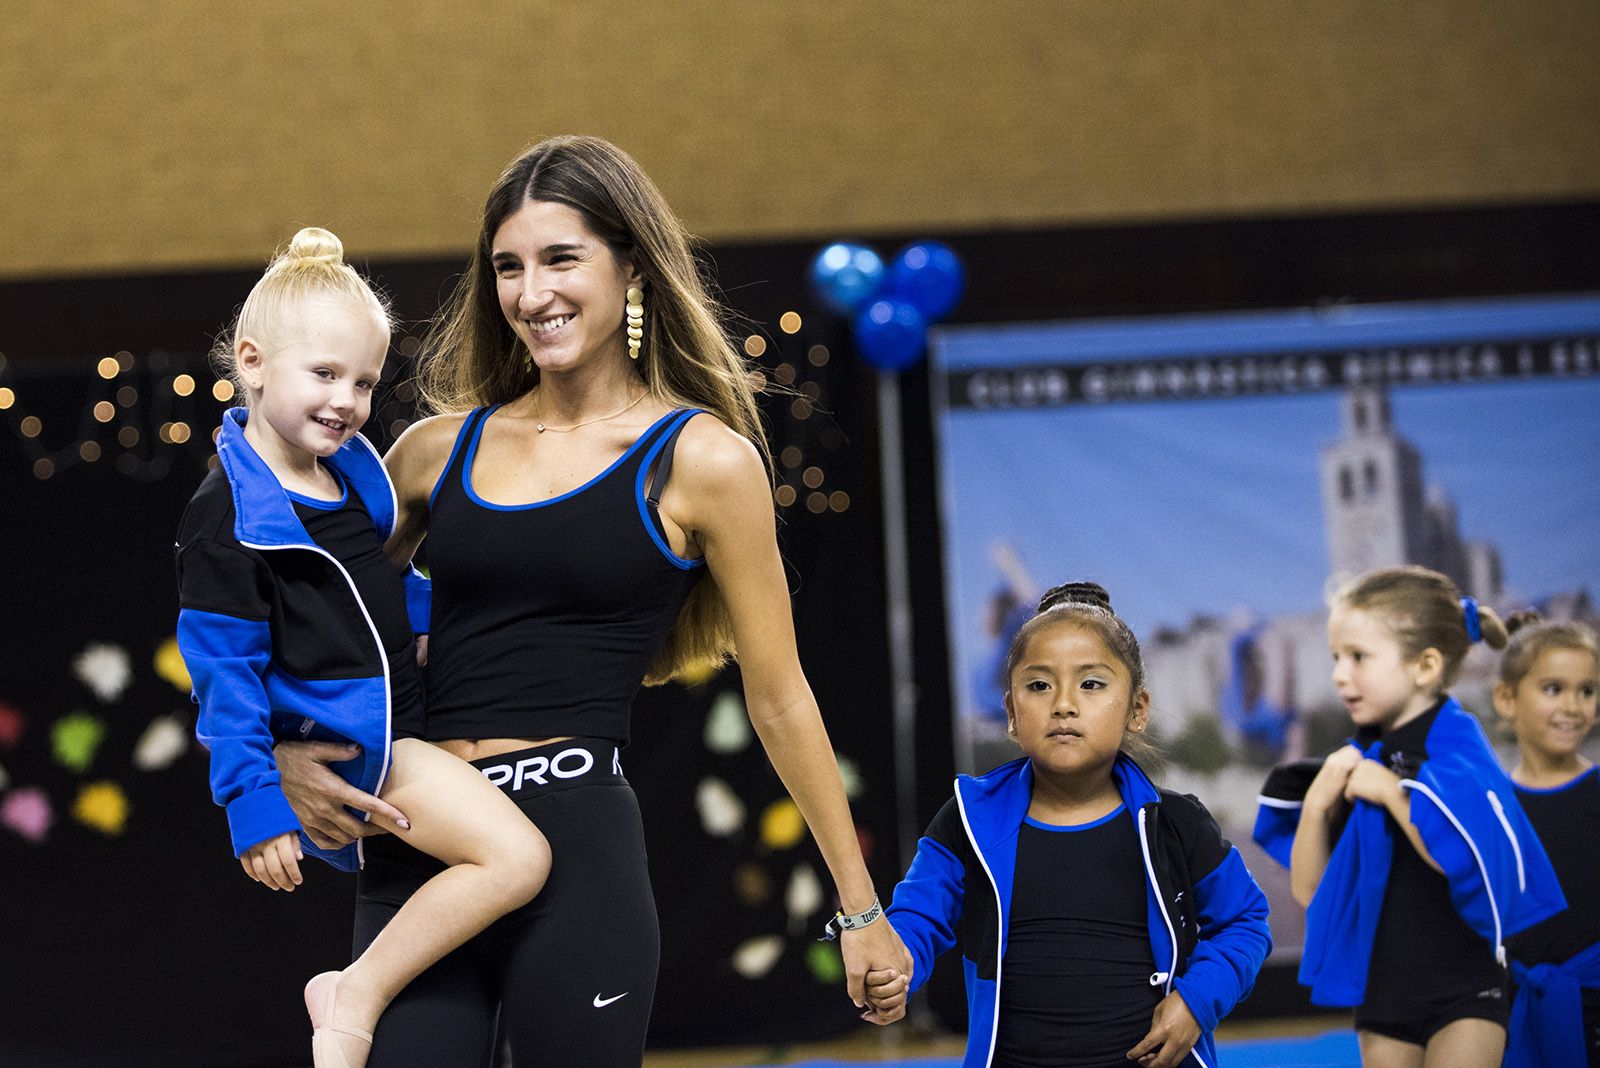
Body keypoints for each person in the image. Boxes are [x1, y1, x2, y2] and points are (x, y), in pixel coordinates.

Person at [269, 136, 911, 1066]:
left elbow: (779, 699)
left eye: (561, 258)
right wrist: (279, 755)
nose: (533, 294)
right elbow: (294, 617)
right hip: (422, 843)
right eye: (508, 267)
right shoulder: (430, 453)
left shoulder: (704, 463)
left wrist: (860, 908)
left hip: (579, 860)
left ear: (633, 270)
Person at [175, 228, 552, 1068]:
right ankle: (355, 992)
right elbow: (221, 672)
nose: (346, 400)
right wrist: (253, 802)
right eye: (324, 375)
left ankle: (374, 994)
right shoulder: (228, 512)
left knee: (513, 865)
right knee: (519, 858)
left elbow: (386, 577)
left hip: (404, 721)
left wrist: (425, 622)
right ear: (253, 360)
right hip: (363, 752)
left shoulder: (351, 475)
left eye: (364, 382)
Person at [879, 582, 1272, 1068]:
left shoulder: (1177, 823)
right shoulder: (967, 820)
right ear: (1010, 713)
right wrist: (895, 966)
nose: (1063, 703)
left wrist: (1196, 1001)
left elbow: (1245, 923)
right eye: (1039, 685)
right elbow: (918, 918)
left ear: (1137, 710)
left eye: (1091, 684)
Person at [1254, 565, 1565, 1068]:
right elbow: (1312, 890)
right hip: (1385, 996)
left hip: (1467, 987)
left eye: (1358, 657)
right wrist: (1316, 805)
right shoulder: (1361, 758)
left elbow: (1462, 856)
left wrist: (1394, 795)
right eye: (1336, 657)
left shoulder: (1459, 749)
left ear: (1423, 667)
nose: (1339, 674)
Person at [1493, 615, 1600, 1067]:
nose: (1573, 706)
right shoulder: (1492, 807)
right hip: (1522, 1016)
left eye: (1587, 690)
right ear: (1506, 698)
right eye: (1554, 689)